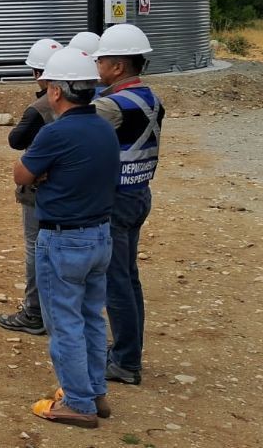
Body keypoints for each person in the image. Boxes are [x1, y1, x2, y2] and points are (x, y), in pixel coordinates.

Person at [15, 47, 119, 428]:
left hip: (63, 240)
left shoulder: (56, 133)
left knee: (64, 323)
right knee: (91, 316)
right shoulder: (104, 128)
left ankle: (78, 403)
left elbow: (21, 174)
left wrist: (44, 173)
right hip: (99, 236)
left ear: (56, 92)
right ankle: (93, 391)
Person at [93, 23, 164, 386]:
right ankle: (128, 352)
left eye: (101, 60)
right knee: (129, 278)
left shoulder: (109, 105)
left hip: (116, 198)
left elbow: (76, 136)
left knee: (115, 281)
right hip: (139, 193)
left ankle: (125, 361)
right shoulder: (151, 97)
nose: (97, 66)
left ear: (118, 66)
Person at [0, 38, 63, 335]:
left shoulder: (41, 107)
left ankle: (34, 312)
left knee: (36, 249)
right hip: (73, 190)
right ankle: (60, 310)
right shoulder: (92, 102)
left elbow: (16, 140)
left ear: (39, 73)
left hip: (40, 189)